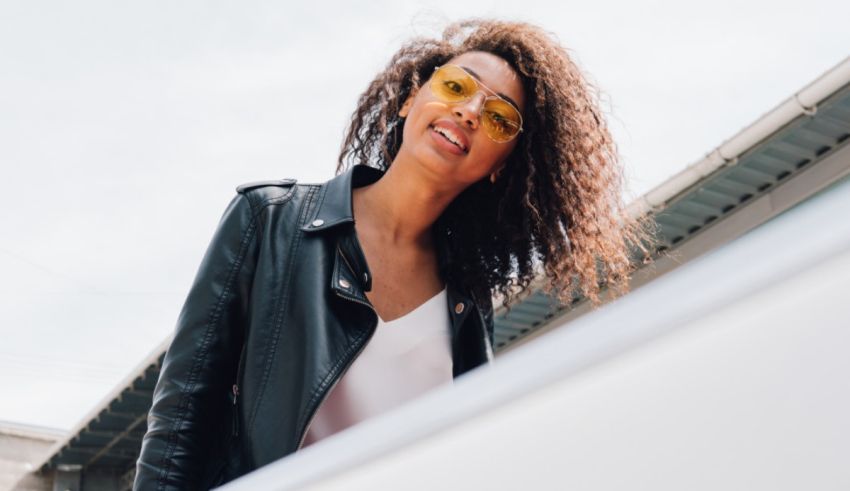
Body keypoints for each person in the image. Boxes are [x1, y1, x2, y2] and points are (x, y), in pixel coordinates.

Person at [133, 17, 656, 490]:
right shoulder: (269, 220)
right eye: (455, 86)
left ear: (502, 165)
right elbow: (181, 418)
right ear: (411, 98)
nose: (469, 111)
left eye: (500, 118)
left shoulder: (467, 304)